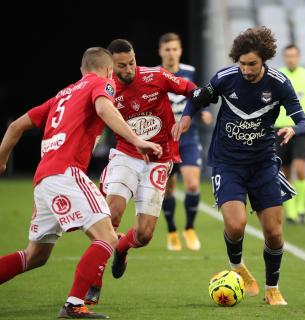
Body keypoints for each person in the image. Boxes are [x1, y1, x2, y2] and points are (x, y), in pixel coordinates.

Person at [0, 47, 162, 319]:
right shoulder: (101, 84)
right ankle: (75, 304)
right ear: (109, 69)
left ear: (81, 70)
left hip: (43, 180)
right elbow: (103, 107)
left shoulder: (62, 94)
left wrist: (2, 161)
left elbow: (15, 126)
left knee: (36, 256)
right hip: (67, 173)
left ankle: (78, 299)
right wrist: (137, 139)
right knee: (108, 236)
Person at [174, 26, 305, 305]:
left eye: (253, 64)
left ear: (264, 60)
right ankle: (237, 267)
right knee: (236, 226)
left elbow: (304, 120)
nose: (247, 70)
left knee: (273, 232)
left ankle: (273, 288)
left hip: (263, 165)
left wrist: (294, 130)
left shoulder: (279, 83)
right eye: (243, 64)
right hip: (228, 164)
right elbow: (198, 98)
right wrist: (187, 117)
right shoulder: (225, 78)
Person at [85, 39, 197, 305]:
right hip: (126, 154)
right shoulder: (105, 90)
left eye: (132, 62)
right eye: (122, 66)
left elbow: (194, 90)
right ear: (110, 66)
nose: (130, 69)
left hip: (159, 159)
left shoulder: (156, 76)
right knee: (111, 215)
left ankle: (122, 249)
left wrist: (188, 116)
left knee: (144, 235)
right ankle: (93, 283)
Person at [158, 32, 213, 251]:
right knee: (167, 190)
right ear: (160, 51)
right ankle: (172, 231)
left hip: (188, 138)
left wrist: (204, 112)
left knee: (191, 184)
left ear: (180, 51)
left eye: (175, 49)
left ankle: (189, 228)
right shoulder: (155, 74)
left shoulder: (189, 72)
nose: (171, 53)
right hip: (164, 141)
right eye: (167, 49)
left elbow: (196, 96)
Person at [274, 44, 305, 225]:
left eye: (293, 56)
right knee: (284, 172)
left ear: (299, 57)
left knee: (300, 168)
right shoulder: (277, 75)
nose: (290, 59)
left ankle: (301, 208)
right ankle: (291, 211)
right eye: (287, 56)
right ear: (284, 57)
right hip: (279, 128)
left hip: (300, 129)